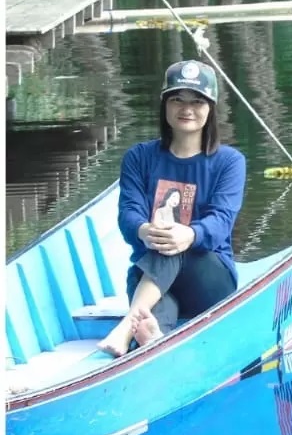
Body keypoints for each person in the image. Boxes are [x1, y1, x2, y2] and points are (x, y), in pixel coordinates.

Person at [96, 59, 246, 356]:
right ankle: (153, 339)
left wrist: (189, 235)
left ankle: (126, 327)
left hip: (210, 280)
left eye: (197, 101)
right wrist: (144, 230)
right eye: (177, 99)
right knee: (155, 305)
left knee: (172, 244)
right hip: (153, 280)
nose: (186, 108)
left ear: (210, 108)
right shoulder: (139, 157)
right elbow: (129, 213)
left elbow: (221, 220)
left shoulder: (229, 162)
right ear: (165, 104)